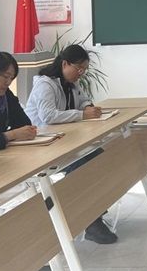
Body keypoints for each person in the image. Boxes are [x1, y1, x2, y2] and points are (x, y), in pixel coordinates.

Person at [25, 44, 116, 244]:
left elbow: (83, 100)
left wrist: (88, 107)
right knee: (83, 163)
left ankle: (94, 211)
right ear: (65, 64)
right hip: (43, 145)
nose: (81, 73)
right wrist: (83, 114)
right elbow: (48, 116)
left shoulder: (70, 83)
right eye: (79, 68)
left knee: (97, 155)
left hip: (63, 140)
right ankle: (89, 220)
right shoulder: (45, 84)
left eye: (84, 70)